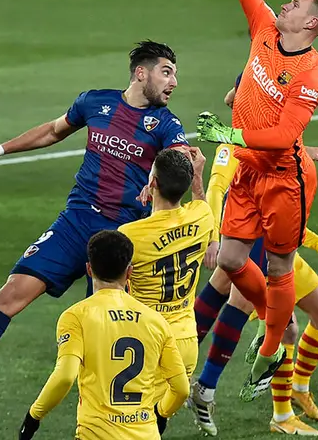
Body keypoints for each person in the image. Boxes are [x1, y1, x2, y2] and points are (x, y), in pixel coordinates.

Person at [0, 41, 189, 407]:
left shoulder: (166, 125)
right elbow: (54, 130)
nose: (174, 82)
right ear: (142, 73)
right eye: (166, 72)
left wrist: (167, 181)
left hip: (119, 237)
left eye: (175, 75)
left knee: (105, 335)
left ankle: (129, 416)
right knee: (12, 292)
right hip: (75, 222)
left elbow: (183, 163)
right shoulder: (95, 102)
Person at [194, 0, 318, 401]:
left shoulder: (311, 72)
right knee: (231, 260)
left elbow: (282, 137)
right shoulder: (263, 29)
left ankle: (273, 340)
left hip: (285, 178)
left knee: (278, 267)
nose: (285, 3)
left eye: (296, 3)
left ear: (312, 23)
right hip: (248, 173)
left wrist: (228, 135)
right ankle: (273, 328)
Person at [189, 76, 318, 436]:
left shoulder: (278, 132)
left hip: (279, 246)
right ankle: (204, 385)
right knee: (263, 314)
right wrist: (215, 237)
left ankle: (295, 394)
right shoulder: (235, 142)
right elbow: (216, 185)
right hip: (254, 245)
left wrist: (317, 242)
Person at [15, 230, 189, 440]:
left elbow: (65, 377)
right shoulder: (156, 321)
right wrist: (161, 414)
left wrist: (33, 417)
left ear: (89, 269)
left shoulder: (76, 317)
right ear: (129, 272)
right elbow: (181, 389)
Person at [117, 146, 215, 435]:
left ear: (153, 184)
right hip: (185, 341)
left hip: (146, 342)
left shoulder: (129, 235)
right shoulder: (202, 217)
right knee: (156, 424)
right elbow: (200, 201)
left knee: (131, 428)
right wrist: (197, 176)